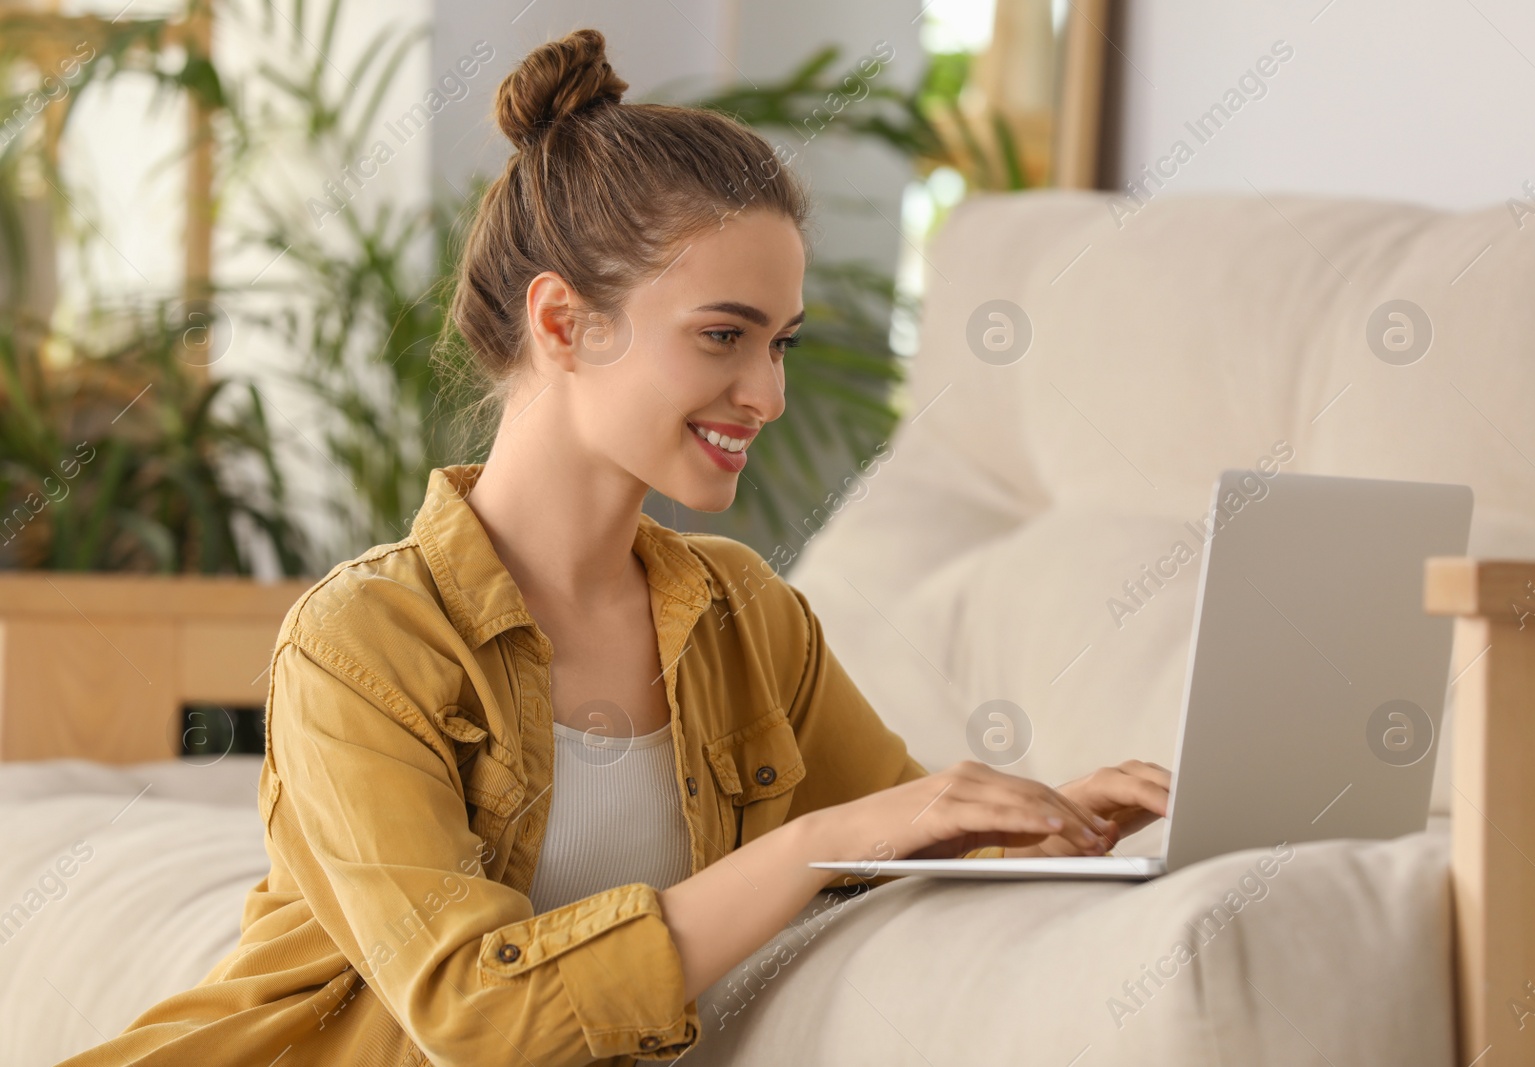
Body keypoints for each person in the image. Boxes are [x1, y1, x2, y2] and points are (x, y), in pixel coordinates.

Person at [60, 27, 1169, 1067]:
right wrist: (809, 844)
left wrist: (1055, 830)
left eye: (780, 343)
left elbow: (895, 851)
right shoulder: (364, 642)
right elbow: (476, 1011)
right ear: (561, 323)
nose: (770, 392)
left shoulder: (746, 615)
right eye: (722, 336)